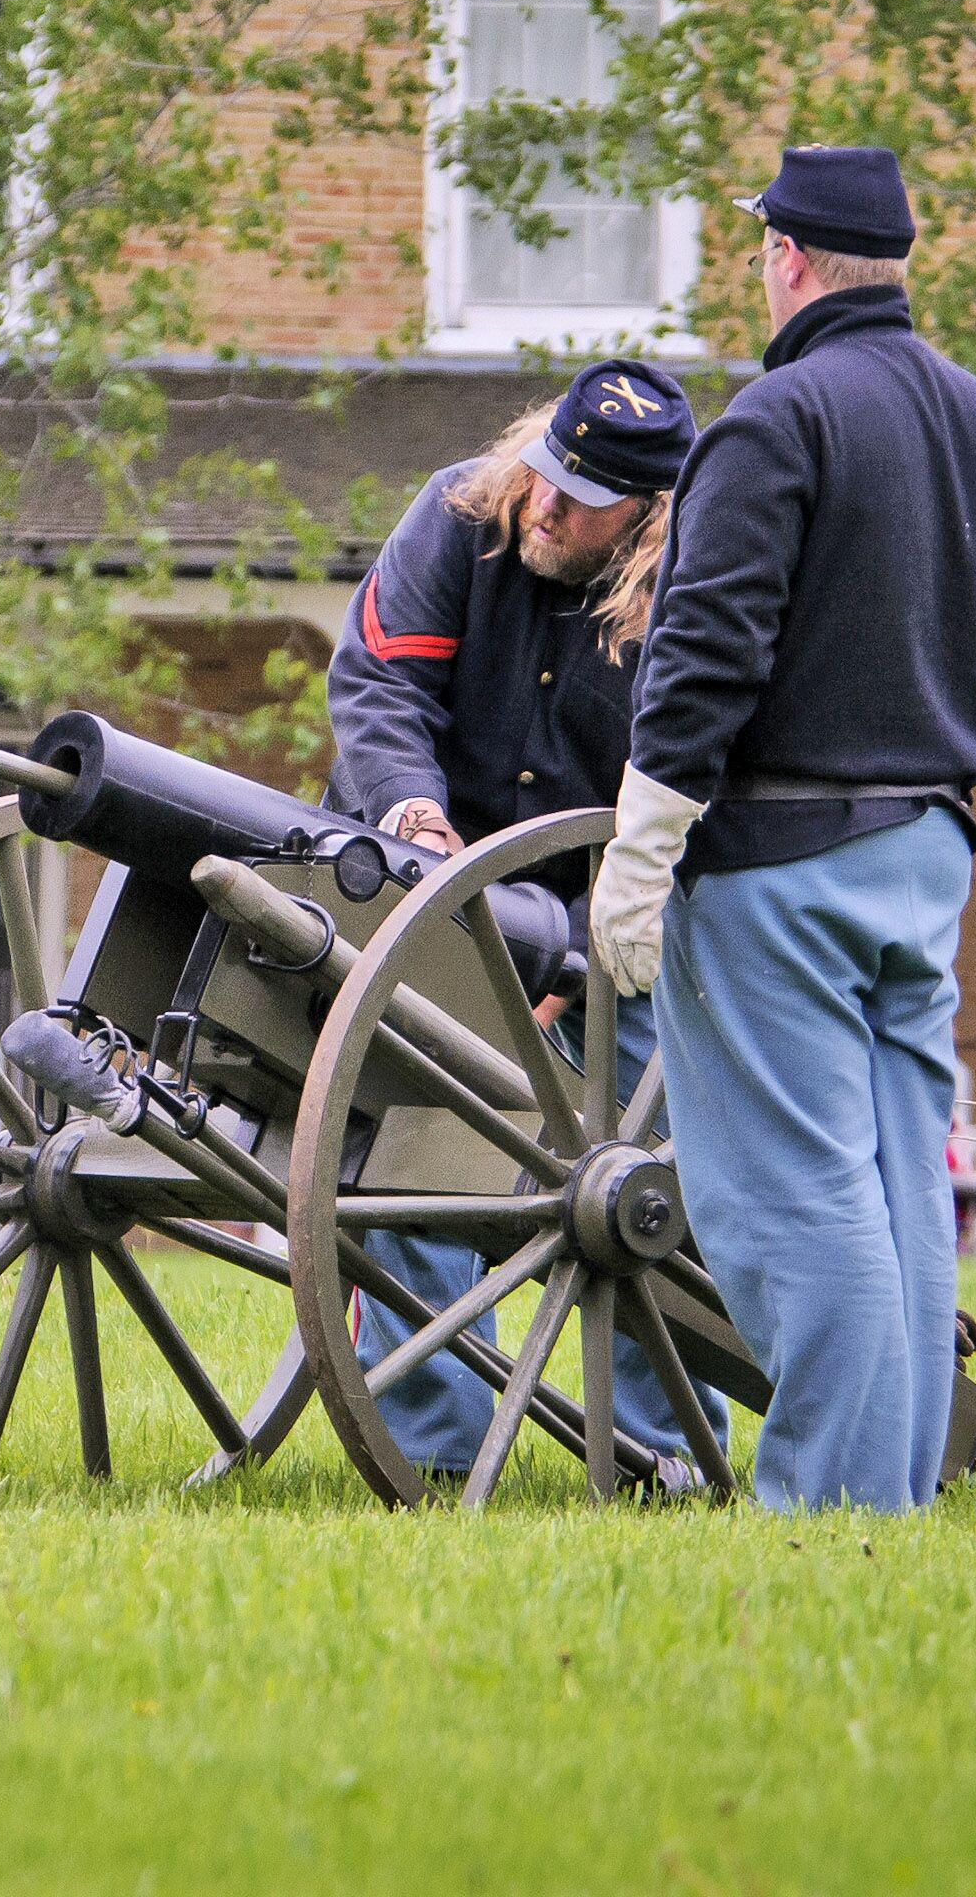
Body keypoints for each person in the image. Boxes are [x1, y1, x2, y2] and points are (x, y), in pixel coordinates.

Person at [590, 146, 976, 1513]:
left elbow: (703, 656)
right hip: (928, 849)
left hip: (779, 867)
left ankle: (829, 1514)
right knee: (904, 1199)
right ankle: (889, 1496)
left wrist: (642, 844)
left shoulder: (774, 422)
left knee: (795, 1204)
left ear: (784, 257)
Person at [325, 355, 727, 1481]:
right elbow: (379, 685)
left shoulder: (689, 591)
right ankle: (439, 1452)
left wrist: (580, 951)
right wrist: (413, 818)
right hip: (428, 899)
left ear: (646, 516)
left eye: (582, 499)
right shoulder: (461, 513)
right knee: (420, 1150)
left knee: (655, 1176)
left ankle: (671, 1455)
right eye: (547, 472)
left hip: (609, 923)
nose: (547, 504)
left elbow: (682, 774)